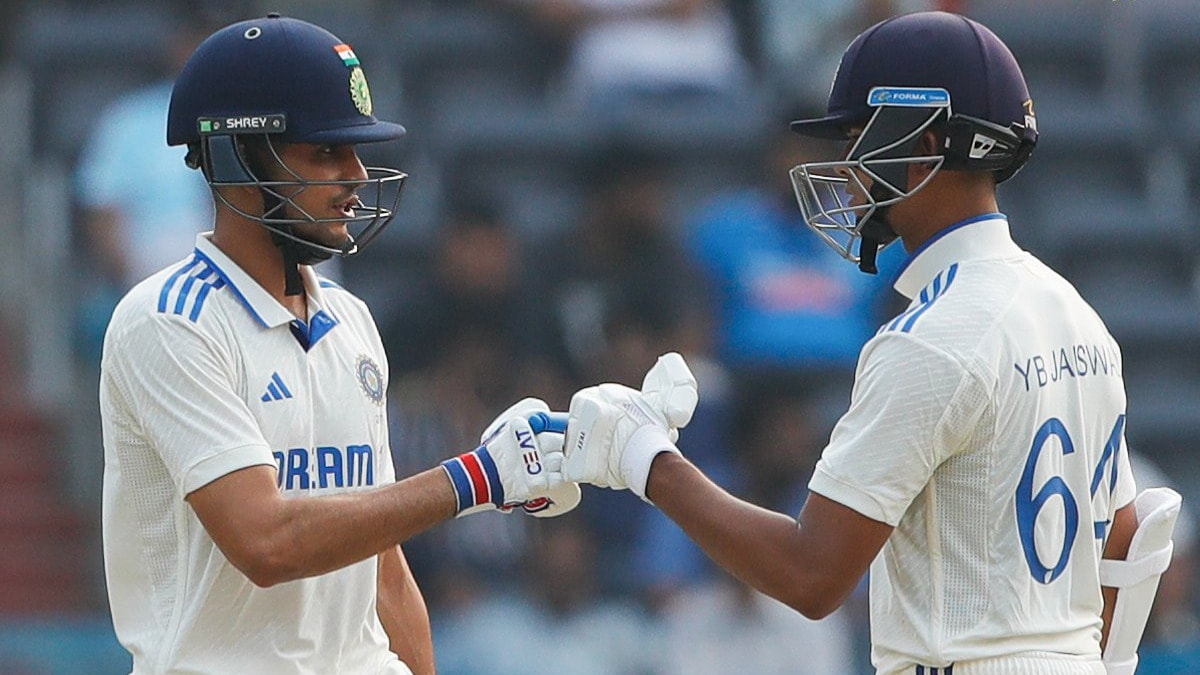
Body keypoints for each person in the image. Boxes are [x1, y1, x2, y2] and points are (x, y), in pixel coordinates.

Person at [558, 11, 1163, 674]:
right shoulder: (1075, 313)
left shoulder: (929, 337)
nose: (845, 170)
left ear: (925, 146)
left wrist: (647, 459)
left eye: (857, 141)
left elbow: (811, 575)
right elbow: (1127, 538)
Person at [99, 14, 577, 674]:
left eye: (354, 150)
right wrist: (476, 478)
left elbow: (384, 571)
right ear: (238, 159)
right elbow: (266, 543)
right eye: (326, 153)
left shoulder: (351, 320)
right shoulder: (167, 322)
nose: (355, 175)